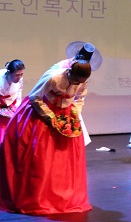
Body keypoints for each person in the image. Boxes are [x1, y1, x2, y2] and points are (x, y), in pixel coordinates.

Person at [0, 60, 92, 215]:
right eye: (75, 80)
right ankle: (37, 196)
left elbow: (79, 98)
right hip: (42, 111)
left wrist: (74, 114)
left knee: (65, 159)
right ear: (70, 72)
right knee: (39, 156)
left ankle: (64, 195)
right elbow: (35, 97)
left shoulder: (81, 81)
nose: (77, 84)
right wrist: (50, 117)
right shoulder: (54, 78)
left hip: (65, 114)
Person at [50, 41, 102, 146]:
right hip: (53, 103)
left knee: (74, 135)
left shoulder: (83, 71)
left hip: (70, 105)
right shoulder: (60, 67)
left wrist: (75, 112)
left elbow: (80, 95)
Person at [0, 60, 25, 143]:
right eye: (16, 75)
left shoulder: (20, 79)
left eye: (21, 74)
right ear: (9, 72)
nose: (19, 77)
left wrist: (17, 106)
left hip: (10, 105)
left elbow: (19, 91)